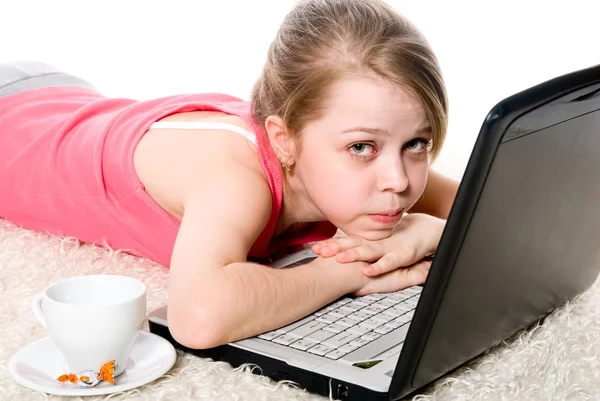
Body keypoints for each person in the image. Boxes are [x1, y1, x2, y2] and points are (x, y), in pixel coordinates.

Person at [0, 0, 459, 349]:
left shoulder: (363, 163)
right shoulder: (236, 178)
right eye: (362, 147)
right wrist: (347, 272)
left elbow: (492, 211)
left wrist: (427, 231)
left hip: (64, 99)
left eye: (416, 144)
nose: (398, 181)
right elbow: (198, 316)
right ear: (284, 140)